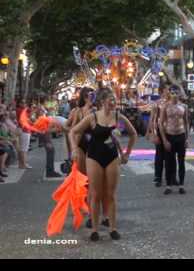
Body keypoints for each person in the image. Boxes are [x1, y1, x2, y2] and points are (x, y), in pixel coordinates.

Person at [70, 87, 138, 242]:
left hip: (112, 156)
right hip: (93, 157)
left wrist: (127, 153)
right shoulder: (92, 117)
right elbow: (73, 131)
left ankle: (113, 228)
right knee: (95, 194)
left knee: (111, 194)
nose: (113, 102)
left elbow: (133, 133)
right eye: (110, 99)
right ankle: (95, 229)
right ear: (102, 101)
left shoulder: (118, 116)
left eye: (114, 99)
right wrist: (74, 149)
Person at [159, 85, 189, 195]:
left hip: (181, 135)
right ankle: (168, 185)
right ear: (169, 93)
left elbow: (186, 123)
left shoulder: (184, 106)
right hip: (169, 135)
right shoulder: (165, 107)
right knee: (169, 162)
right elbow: (161, 123)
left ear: (179, 94)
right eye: (172, 93)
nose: (174, 95)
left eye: (176, 93)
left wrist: (187, 138)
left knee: (181, 161)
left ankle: (181, 185)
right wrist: (164, 140)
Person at [147, 87, 169, 187]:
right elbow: (152, 118)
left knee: (170, 154)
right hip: (159, 130)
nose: (169, 92)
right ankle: (158, 177)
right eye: (167, 89)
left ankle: (171, 176)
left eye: (170, 90)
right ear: (162, 91)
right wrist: (151, 132)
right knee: (159, 154)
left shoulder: (173, 103)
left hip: (170, 130)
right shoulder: (157, 103)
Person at [37, 97, 63, 178]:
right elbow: (45, 130)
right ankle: (50, 171)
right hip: (46, 137)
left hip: (46, 137)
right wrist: (55, 129)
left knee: (51, 152)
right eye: (41, 110)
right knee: (50, 152)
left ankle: (50, 171)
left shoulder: (42, 115)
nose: (43, 110)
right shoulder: (41, 116)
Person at [16, 99, 32, 169]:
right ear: (19, 104)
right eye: (22, 103)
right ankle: (24, 164)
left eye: (25, 103)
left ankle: (21, 164)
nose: (24, 104)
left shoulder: (20, 110)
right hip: (24, 131)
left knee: (22, 148)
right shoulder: (20, 110)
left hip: (24, 130)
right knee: (24, 149)